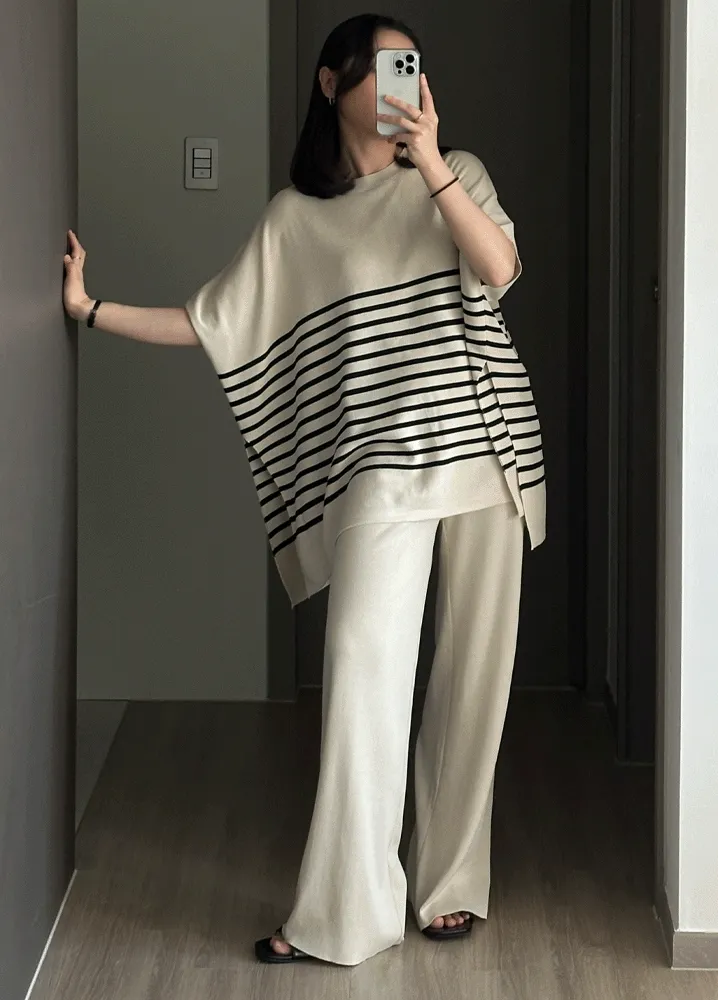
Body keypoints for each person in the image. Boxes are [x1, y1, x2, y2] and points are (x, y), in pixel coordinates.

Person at [63, 12, 545, 969]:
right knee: (364, 678)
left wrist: (432, 161)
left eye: (412, 67)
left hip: (488, 455)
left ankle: (449, 885)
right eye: (383, 66)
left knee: (471, 684)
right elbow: (216, 321)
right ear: (332, 83)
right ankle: (343, 914)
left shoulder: (459, 172)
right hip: (380, 471)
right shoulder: (296, 218)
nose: (401, 82)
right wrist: (89, 308)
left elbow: (498, 271)